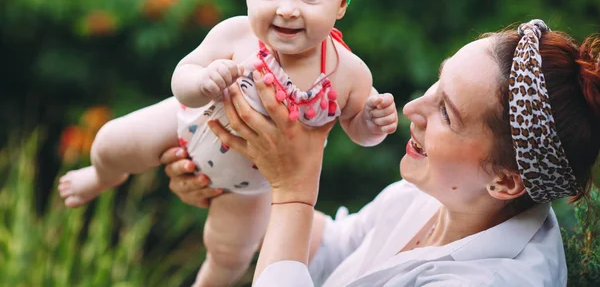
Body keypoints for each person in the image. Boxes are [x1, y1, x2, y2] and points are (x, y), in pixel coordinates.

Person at [58, 0, 398, 286]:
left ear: (341, 4)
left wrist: (372, 123)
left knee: (231, 253)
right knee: (112, 140)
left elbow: (358, 131)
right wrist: (202, 81)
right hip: (188, 124)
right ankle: (102, 175)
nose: (287, 8)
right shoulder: (236, 34)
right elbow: (182, 76)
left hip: (253, 184)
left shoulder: (348, 73)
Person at [162, 19, 600, 286]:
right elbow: (335, 250)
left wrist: (292, 190)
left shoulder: (494, 281)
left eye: (446, 113)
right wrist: (240, 178)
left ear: (504, 180)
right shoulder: (437, 195)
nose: (413, 109)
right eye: (437, 83)